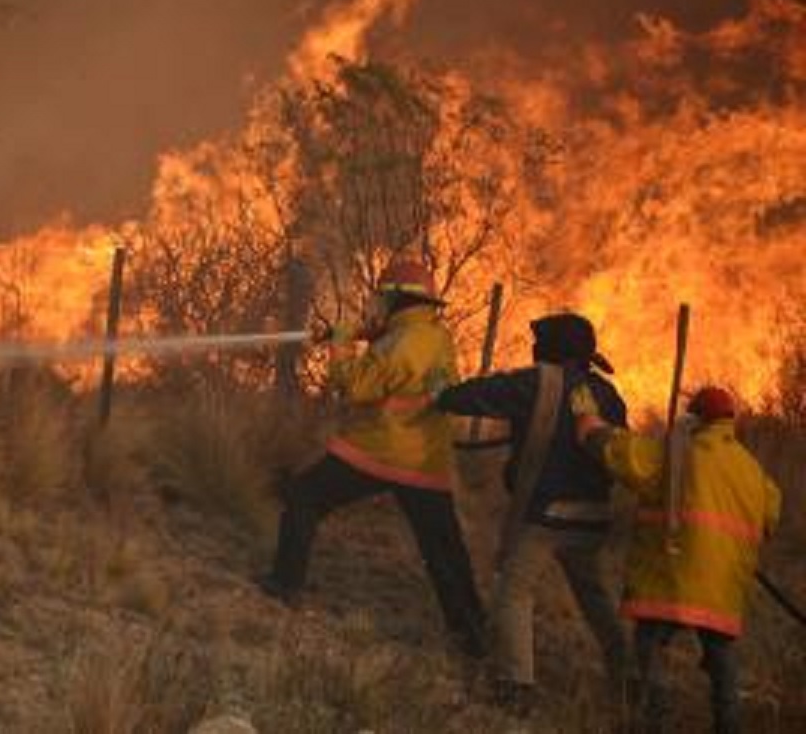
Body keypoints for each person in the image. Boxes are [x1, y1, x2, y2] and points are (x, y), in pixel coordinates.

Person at [260, 257, 487, 658]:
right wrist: (363, 335)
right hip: (426, 460)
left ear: (397, 300)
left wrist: (342, 345)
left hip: (379, 449)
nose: (377, 304)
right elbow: (408, 364)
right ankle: (473, 637)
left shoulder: (398, 343)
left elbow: (357, 386)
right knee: (444, 550)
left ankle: (284, 585)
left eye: (383, 297)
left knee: (304, 497)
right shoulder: (434, 336)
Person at [432, 313, 629, 711]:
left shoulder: (536, 382)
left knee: (513, 593)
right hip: (593, 517)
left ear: (552, 348)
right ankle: (628, 677)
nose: (534, 349)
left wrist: (441, 393)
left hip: (547, 516)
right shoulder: (607, 393)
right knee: (595, 598)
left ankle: (515, 685)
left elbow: (474, 395)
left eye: (539, 343)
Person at [574, 386, 782, 734]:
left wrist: (590, 425)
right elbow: (771, 514)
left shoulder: (677, 455)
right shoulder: (752, 470)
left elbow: (625, 456)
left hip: (672, 575)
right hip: (723, 587)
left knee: (650, 643)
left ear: (695, 418)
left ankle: (658, 715)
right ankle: (729, 725)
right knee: (721, 658)